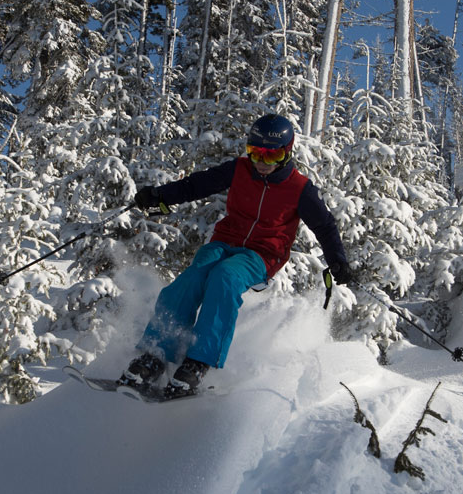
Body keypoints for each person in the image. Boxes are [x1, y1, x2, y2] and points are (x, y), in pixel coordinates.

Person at [121, 113, 353, 399]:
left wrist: (338, 259)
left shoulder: (299, 188)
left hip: (263, 253)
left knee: (225, 276)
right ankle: (156, 354)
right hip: (225, 241)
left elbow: (325, 225)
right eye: (255, 152)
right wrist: (159, 196)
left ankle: (199, 362)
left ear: (287, 152)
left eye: (271, 155)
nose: (261, 162)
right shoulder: (240, 170)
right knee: (195, 274)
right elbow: (196, 185)